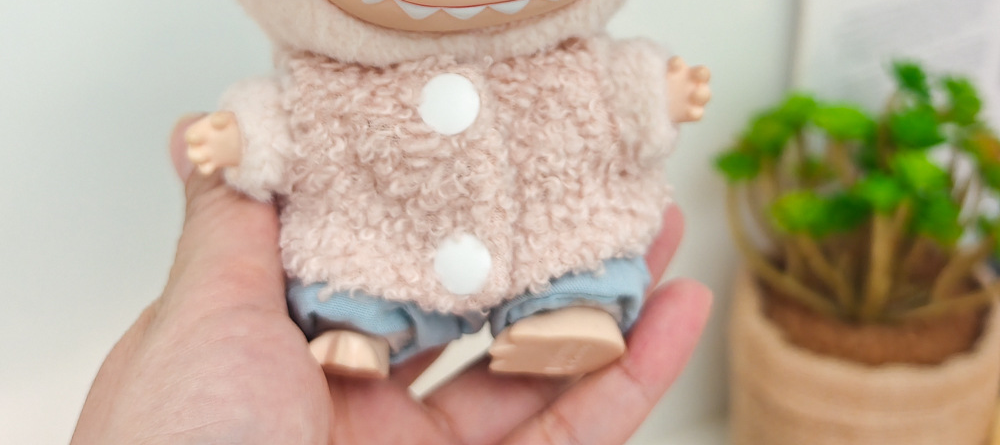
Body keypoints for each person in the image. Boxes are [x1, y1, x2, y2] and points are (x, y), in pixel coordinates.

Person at [69, 119, 712, 445]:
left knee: (578, 225)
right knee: (350, 254)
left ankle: (568, 310)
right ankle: (355, 325)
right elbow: (285, 124)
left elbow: (615, 97)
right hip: (393, 235)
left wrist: (655, 94)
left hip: (526, 218)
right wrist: (243, 139)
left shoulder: (560, 65)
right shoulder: (334, 77)